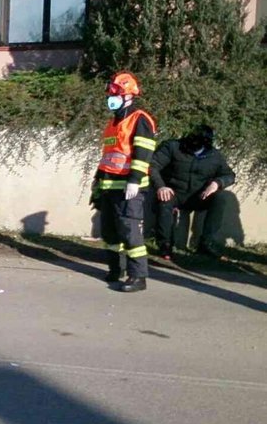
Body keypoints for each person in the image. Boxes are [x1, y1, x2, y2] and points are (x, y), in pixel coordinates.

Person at [90, 71, 157, 292]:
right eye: (111, 92)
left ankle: (138, 277)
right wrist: (97, 184)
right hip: (109, 186)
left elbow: (143, 152)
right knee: (109, 233)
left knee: (130, 231)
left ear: (128, 95)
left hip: (130, 187)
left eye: (116, 92)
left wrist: (135, 180)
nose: (111, 96)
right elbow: (108, 155)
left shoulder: (140, 119)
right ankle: (114, 269)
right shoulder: (112, 123)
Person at [150, 124, 235, 258]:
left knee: (220, 198)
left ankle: (207, 242)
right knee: (164, 201)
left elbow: (229, 175)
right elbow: (153, 165)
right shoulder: (172, 147)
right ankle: (165, 245)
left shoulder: (214, 155)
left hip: (198, 196)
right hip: (174, 192)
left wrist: (216, 183)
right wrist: (160, 186)